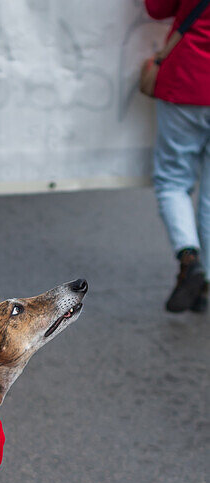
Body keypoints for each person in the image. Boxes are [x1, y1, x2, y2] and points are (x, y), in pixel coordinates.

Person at [146, 0, 210, 312]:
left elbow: (156, 8)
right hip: (189, 83)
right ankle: (206, 283)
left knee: (173, 181)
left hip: (188, 80)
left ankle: (189, 259)